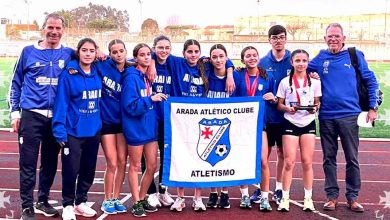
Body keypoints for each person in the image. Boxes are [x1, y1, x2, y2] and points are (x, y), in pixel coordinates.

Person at [8, 13, 74, 220]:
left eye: (58, 28)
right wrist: (14, 113)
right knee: (27, 162)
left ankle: (43, 200)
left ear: (63, 31)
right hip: (31, 115)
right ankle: (27, 206)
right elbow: (16, 83)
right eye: (50, 28)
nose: (54, 32)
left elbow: (98, 58)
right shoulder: (28, 52)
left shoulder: (69, 53)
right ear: (43, 29)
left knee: (50, 162)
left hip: (56, 118)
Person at [308, 23, 379, 213]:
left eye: (336, 36)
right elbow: (300, 68)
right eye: (330, 36)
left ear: (343, 38)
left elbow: (371, 80)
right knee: (328, 159)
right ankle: (331, 197)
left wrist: (373, 107)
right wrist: (311, 75)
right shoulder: (319, 58)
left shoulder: (355, 55)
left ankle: (352, 197)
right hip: (326, 117)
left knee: (351, 158)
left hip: (350, 116)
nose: (333, 39)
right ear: (324, 39)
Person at [165, 39, 235, 212]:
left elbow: (227, 60)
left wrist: (231, 73)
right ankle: (180, 197)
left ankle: (198, 197)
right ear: (183, 53)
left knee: (198, 158)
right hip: (180, 119)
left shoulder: (205, 65)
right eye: (190, 51)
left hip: (199, 121)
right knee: (180, 157)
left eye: (196, 52)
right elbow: (157, 53)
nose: (193, 55)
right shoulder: (177, 63)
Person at [52, 38, 102, 220]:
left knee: (88, 169)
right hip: (73, 131)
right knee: (71, 169)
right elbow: (61, 103)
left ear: (96, 53)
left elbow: (122, 61)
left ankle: (81, 202)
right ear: (78, 52)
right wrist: (59, 129)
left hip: (93, 130)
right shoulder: (68, 74)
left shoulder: (98, 71)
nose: (88, 54)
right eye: (84, 50)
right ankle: (67, 204)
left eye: (91, 51)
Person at [121, 43, 167, 217]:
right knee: (134, 166)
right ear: (136, 57)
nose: (146, 57)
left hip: (149, 128)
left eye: (149, 54)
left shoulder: (146, 76)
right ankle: (136, 202)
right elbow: (130, 106)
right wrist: (151, 99)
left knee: (152, 165)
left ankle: (141, 198)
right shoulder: (131, 77)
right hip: (135, 128)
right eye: (142, 55)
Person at [250, 25, 292, 205]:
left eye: (281, 37)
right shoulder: (263, 62)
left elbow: (309, 72)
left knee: (282, 153)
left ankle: (279, 189)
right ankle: (261, 188)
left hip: (287, 116)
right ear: (269, 40)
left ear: (286, 38)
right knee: (263, 156)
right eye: (274, 38)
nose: (278, 40)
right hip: (266, 116)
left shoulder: (293, 59)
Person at [276, 49, 321, 212]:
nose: (301, 64)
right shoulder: (284, 82)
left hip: (308, 123)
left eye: (304, 61)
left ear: (308, 63)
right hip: (290, 122)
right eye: (298, 60)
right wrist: (288, 109)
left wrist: (314, 109)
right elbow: (279, 104)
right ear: (292, 62)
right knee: (289, 162)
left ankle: (308, 198)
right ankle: (285, 198)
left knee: (307, 162)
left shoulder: (315, 82)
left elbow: (317, 102)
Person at [235, 46, 277, 211]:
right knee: (243, 161)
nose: (251, 58)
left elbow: (274, 99)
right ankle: (244, 195)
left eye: (254, 55)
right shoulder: (238, 75)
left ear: (258, 57)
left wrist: (273, 98)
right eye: (248, 56)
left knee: (262, 161)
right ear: (243, 59)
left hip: (260, 125)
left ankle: (264, 197)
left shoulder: (268, 76)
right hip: (241, 125)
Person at [95, 39, 128, 215]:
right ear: (110, 53)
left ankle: (116, 197)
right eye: (114, 52)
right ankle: (107, 199)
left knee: (123, 162)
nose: (118, 54)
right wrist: (98, 50)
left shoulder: (131, 70)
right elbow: (78, 52)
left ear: (125, 51)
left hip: (123, 123)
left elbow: (151, 57)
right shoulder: (102, 65)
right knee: (112, 162)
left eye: (121, 51)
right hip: (106, 122)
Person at [142, 35, 175, 208]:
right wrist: (152, 62)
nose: (164, 51)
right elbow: (132, 57)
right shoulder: (145, 62)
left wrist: (230, 69)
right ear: (154, 48)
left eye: (167, 47)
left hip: (167, 120)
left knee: (166, 157)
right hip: (148, 119)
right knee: (148, 159)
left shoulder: (174, 63)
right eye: (160, 47)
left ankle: (163, 191)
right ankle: (150, 192)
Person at [205, 44, 240, 209]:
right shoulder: (206, 73)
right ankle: (213, 192)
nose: (218, 60)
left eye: (221, 56)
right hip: (210, 125)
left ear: (226, 58)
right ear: (210, 59)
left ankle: (225, 193)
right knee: (211, 159)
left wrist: (230, 73)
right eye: (214, 57)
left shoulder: (235, 77)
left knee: (226, 157)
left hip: (228, 124)